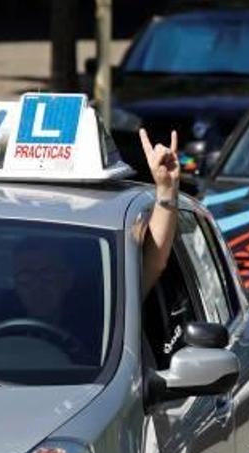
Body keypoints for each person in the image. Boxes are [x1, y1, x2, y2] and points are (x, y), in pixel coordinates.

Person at [10, 128, 180, 329]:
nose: (37, 285)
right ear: (14, 284)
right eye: (26, 277)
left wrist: (167, 189)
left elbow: (155, 261)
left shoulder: (103, 315)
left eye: (47, 274)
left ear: (67, 279)